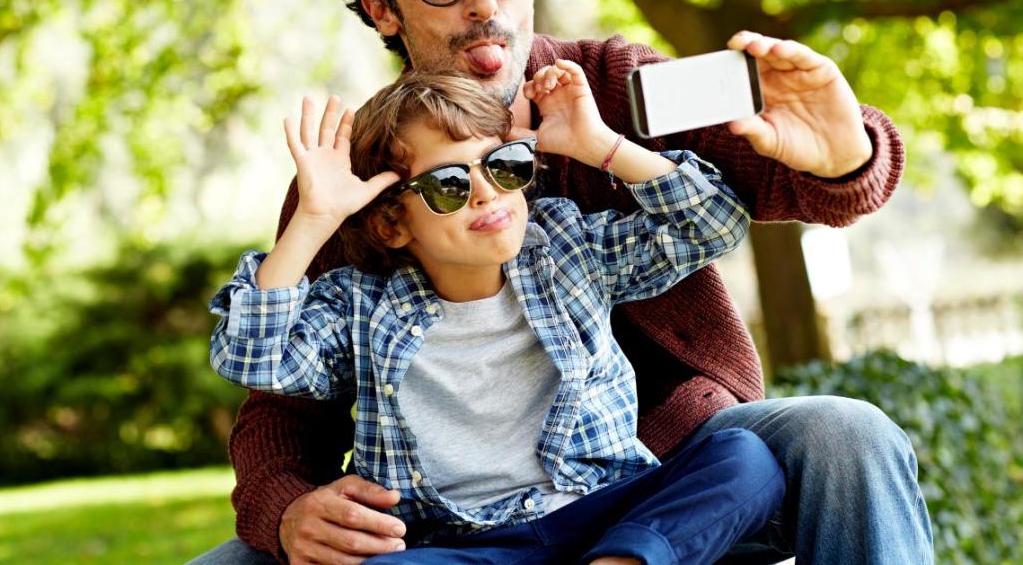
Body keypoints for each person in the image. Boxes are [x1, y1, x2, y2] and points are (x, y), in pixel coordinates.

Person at [191, 0, 933, 565]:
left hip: (658, 467)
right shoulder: (354, 174)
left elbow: (777, 190)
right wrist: (285, 509)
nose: (485, 4)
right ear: (385, 7)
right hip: (445, 521)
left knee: (845, 435)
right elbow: (279, 399)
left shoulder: (613, 87)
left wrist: (846, 153)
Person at [208, 64, 784, 565]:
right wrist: (315, 217)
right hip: (458, 546)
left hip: (603, 514)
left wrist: (600, 144)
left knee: (744, 461)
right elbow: (252, 354)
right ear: (393, 222)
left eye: (503, 165)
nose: (485, 192)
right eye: (449, 184)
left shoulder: (567, 250)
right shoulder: (360, 306)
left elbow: (711, 223)